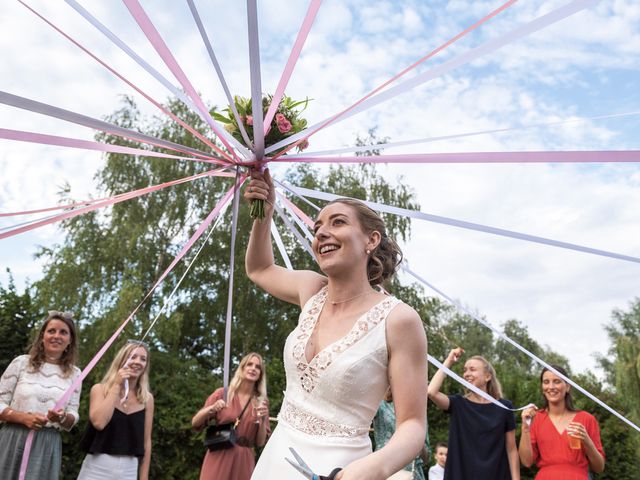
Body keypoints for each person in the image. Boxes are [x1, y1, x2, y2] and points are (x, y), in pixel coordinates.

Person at [244, 169, 428, 480]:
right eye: (317, 228)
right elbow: (260, 268)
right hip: (275, 459)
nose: (321, 233)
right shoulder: (311, 290)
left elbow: (413, 424)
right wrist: (265, 211)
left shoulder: (399, 320)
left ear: (371, 240)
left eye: (338, 222)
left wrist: (376, 466)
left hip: (342, 470)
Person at [0, 310, 81, 480]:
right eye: (51, 331)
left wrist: (62, 417)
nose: (56, 336)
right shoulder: (21, 362)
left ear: (70, 340)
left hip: (47, 444)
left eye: (63, 332)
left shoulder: (75, 374)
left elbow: (73, 416)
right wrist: (23, 418)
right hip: (13, 438)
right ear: (42, 335)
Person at [427, 347, 519, 480]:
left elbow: (511, 449)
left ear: (487, 376)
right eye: (464, 370)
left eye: (472, 369)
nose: (466, 374)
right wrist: (449, 361)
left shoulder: (504, 407)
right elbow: (431, 392)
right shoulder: (458, 404)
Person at [77, 340, 154, 480]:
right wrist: (117, 385)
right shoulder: (100, 389)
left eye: (143, 359)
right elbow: (99, 423)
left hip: (129, 469)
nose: (138, 362)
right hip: (97, 466)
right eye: (133, 357)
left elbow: (146, 442)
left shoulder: (147, 399)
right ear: (122, 360)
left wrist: (143, 477)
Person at [192, 352, 270, 480]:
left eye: (257, 367)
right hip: (220, 454)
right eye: (249, 364)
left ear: (261, 374)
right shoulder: (223, 393)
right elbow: (195, 423)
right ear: (242, 368)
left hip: (244, 460)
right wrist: (211, 409)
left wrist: (262, 420)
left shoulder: (262, 402)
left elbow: (260, 442)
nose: (253, 369)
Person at [518, 365, 605, 479]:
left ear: (567, 387)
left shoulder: (586, 419)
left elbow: (599, 467)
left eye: (557, 381)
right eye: (546, 382)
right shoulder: (535, 419)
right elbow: (526, 462)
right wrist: (525, 428)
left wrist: (587, 442)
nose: (551, 386)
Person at [373, 387, 430, 480]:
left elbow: (426, 459)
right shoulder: (381, 404)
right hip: (386, 471)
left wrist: (417, 440)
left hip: (414, 474)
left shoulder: (419, 412)